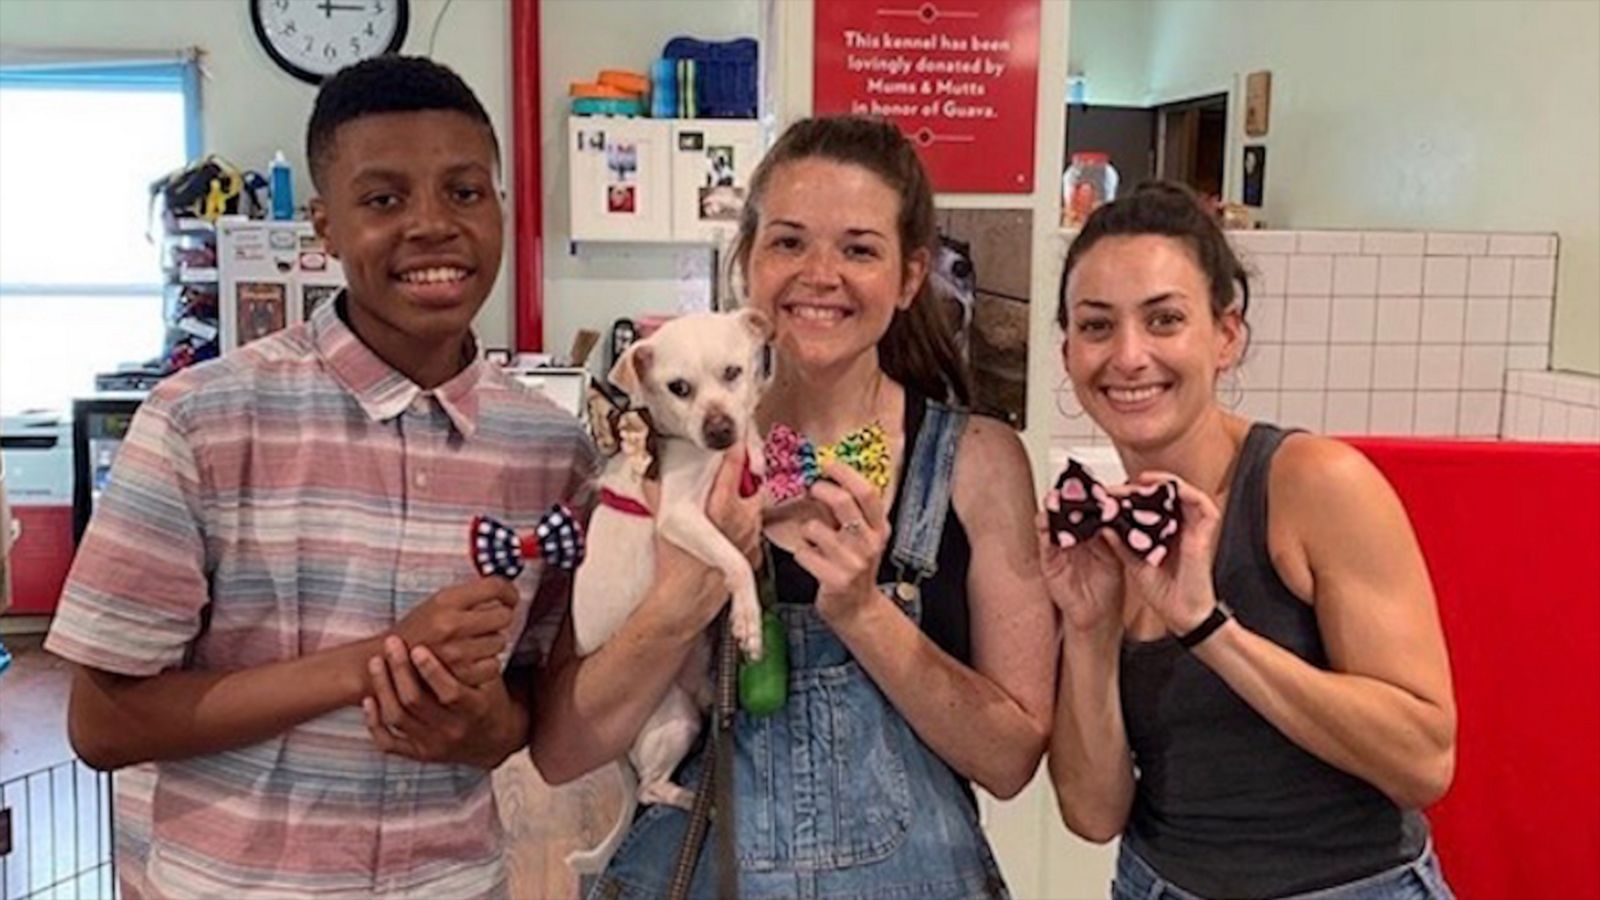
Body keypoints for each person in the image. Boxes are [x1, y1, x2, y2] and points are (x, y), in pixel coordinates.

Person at [45, 55, 596, 899]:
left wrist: (480, 723)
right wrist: (376, 661)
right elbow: (103, 721)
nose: (432, 226)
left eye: (464, 191)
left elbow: (525, 711)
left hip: (453, 882)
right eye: (382, 199)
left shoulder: (550, 451)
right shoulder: (203, 420)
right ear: (324, 227)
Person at [526, 115, 1057, 899]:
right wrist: (683, 599)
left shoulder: (977, 464)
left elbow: (1011, 760)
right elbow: (562, 751)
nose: (820, 273)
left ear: (910, 278)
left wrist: (865, 614)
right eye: (788, 242)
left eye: (859, 249)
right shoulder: (660, 465)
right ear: (747, 263)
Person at [1044, 182, 1457, 899]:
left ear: (1225, 336)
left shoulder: (1312, 484)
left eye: (1165, 319)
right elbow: (1092, 813)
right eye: (1098, 326)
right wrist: (1087, 628)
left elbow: (1423, 761)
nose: (1130, 356)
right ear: (1069, 351)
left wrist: (1208, 629)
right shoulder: (1105, 534)